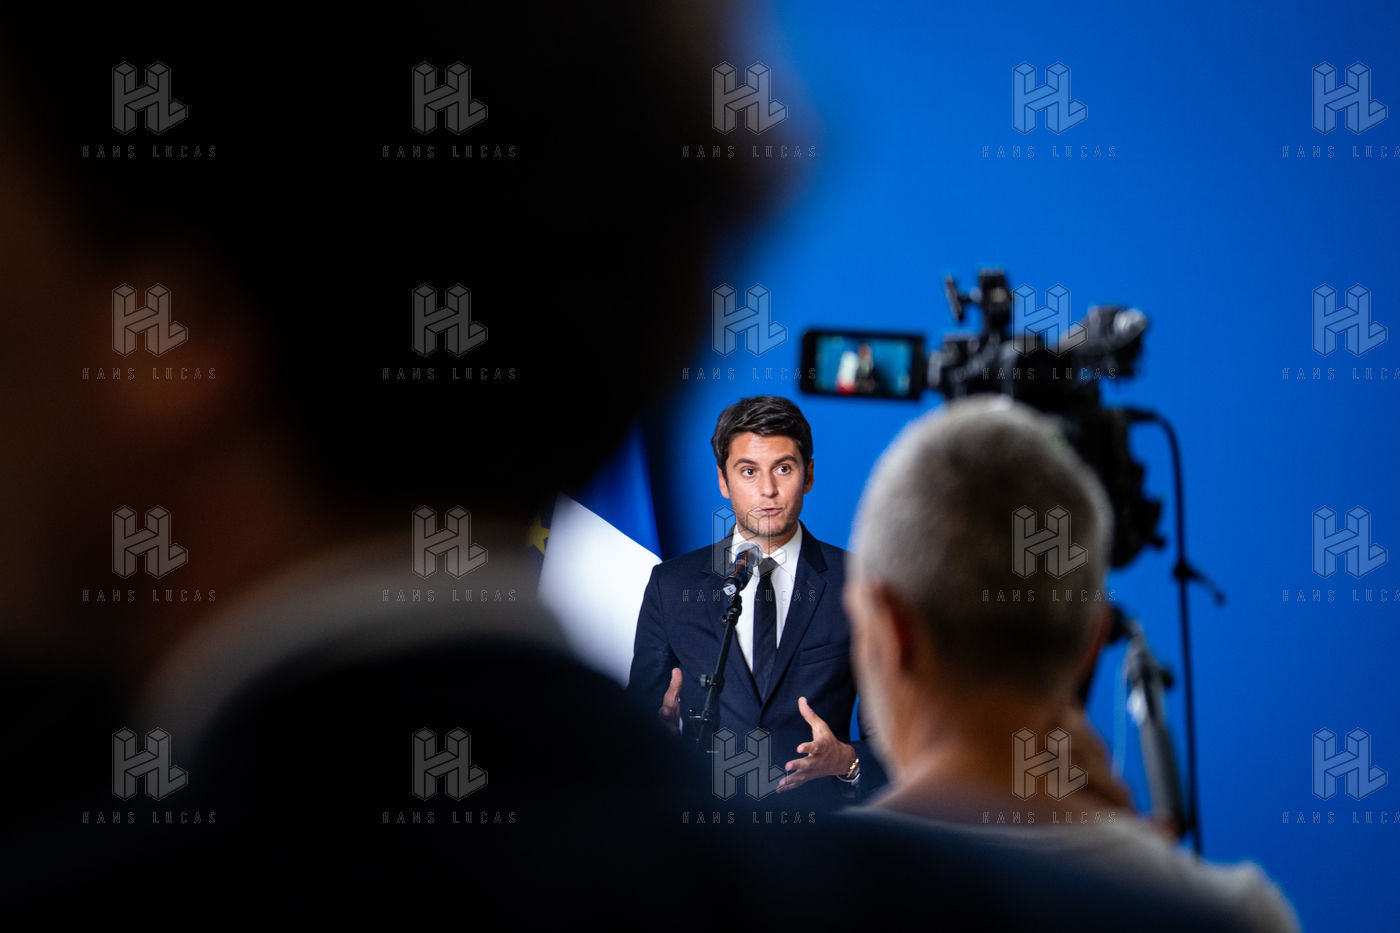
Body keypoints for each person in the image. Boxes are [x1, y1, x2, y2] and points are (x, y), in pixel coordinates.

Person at [840, 395, 1300, 932]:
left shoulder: (770, 892)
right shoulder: (1238, 916)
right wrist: (1133, 857)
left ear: (891, 630)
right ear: (1093, 641)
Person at [627, 395, 884, 811]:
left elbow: (897, 743)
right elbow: (636, 725)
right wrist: (653, 734)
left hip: (819, 834)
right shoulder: (671, 586)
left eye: (783, 468)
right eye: (748, 471)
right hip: (703, 829)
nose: (768, 490)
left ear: (808, 475)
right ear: (723, 481)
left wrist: (848, 761)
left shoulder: (859, 583)